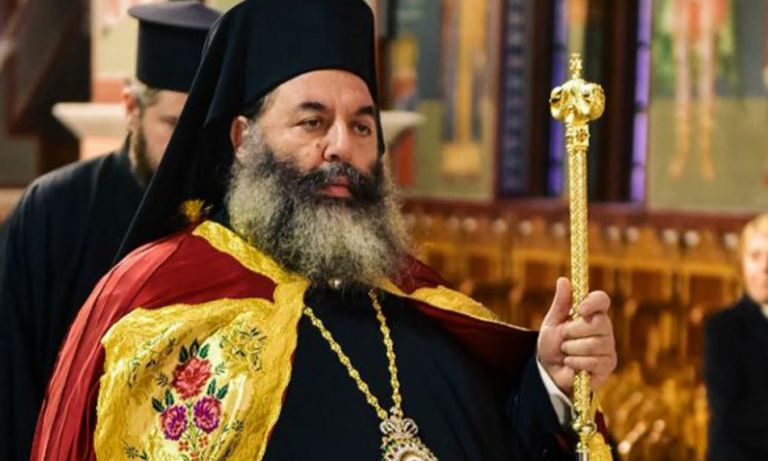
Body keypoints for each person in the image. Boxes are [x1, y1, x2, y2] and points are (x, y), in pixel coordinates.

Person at [32, 1, 617, 460]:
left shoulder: (411, 301)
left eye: (362, 126)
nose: (341, 147)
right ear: (243, 139)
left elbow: (502, 442)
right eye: (312, 122)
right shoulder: (157, 299)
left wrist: (551, 384)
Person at [0, 3, 220, 460]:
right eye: (175, 126)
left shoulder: (230, 218)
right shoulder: (55, 210)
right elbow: (12, 374)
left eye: (205, 130)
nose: (190, 150)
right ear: (131, 109)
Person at [704, 213, 768, 460]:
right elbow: (731, 413)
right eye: (755, 256)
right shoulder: (722, 327)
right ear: (742, 264)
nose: (765, 267)